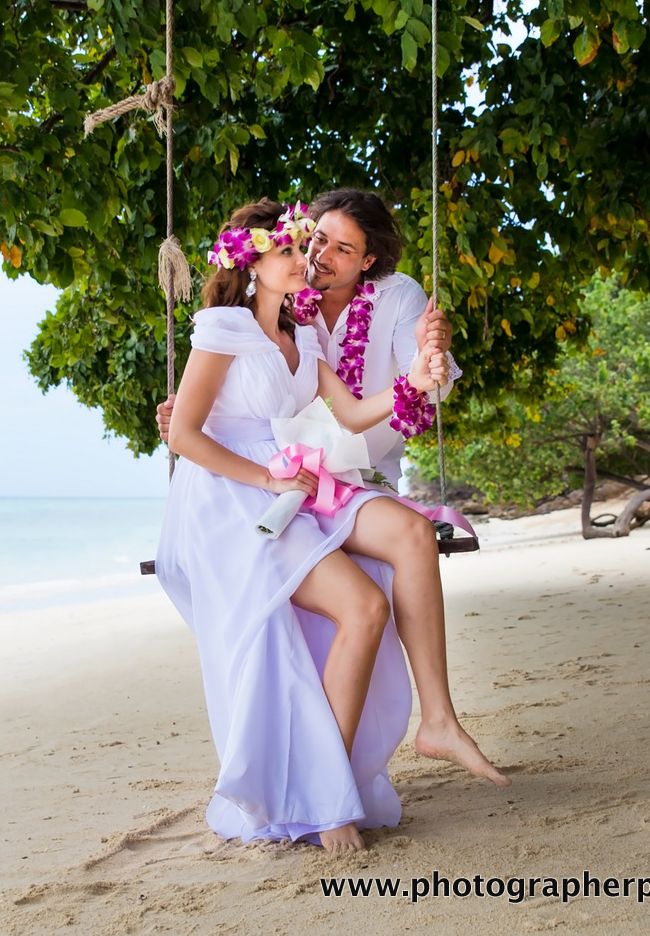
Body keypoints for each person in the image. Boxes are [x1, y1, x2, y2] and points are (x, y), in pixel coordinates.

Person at [156, 198, 500, 856]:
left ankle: (332, 785)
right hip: (234, 502)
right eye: (290, 249)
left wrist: (415, 382)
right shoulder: (223, 328)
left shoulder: (303, 333)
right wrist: (266, 480)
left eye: (306, 246)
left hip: (290, 488)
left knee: (369, 605)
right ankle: (324, 801)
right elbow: (187, 438)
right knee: (362, 605)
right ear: (251, 261)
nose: (305, 258)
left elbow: (348, 413)